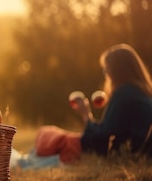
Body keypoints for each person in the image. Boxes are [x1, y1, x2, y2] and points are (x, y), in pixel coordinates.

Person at [13, 43, 152, 169]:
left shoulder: (123, 93)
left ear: (117, 72)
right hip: (134, 152)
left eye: (106, 71)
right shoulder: (141, 93)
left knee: (50, 135)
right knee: (52, 136)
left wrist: (86, 115)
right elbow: (113, 129)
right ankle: (25, 160)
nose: (107, 75)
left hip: (120, 153)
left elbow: (104, 134)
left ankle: (23, 162)